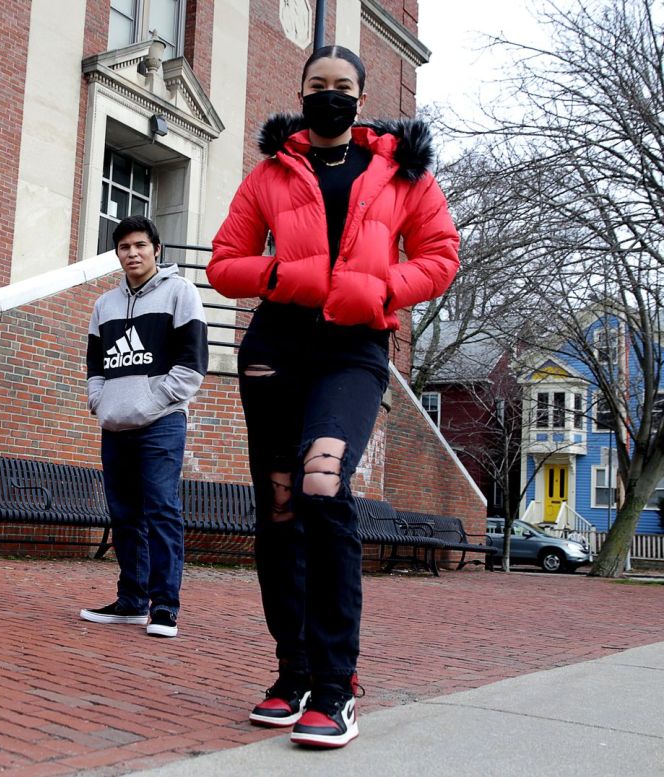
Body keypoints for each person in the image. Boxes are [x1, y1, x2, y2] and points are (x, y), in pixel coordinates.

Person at [208, 46, 459, 747]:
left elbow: (441, 256)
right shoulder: (271, 172)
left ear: (361, 97)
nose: (330, 94)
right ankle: (292, 670)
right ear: (301, 94)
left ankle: (335, 683)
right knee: (281, 507)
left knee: (323, 482)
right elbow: (225, 263)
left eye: (342, 86)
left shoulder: (402, 172)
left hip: (353, 350)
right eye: (318, 85)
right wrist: (286, 275)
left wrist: (380, 289)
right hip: (276, 349)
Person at [80, 215, 208, 639]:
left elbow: (192, 364)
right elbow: (96, 365)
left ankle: (164, 607)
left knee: (161, 511)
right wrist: (101, 403)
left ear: (156, 249)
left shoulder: (180, 293)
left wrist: (152, 402)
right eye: (124, 247)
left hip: (161, 422)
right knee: (124, 515)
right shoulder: (105, 305)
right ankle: (132, 601)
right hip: (115, 425)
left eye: (140, 245)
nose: (132, 253)